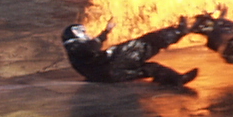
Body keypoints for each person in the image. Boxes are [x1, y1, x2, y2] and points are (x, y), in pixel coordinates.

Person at [62, 20, 197, 88]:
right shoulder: (74, 46)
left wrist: (105, 34)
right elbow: (91, 47)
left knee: (149, 68)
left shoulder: (75, 50)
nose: (86, 34)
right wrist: (104, 34)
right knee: (145, 43)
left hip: (111, 74)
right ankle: (179, 31)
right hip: (111, 66)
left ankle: (176, 79)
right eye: (83, 32)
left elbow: (91, 50)